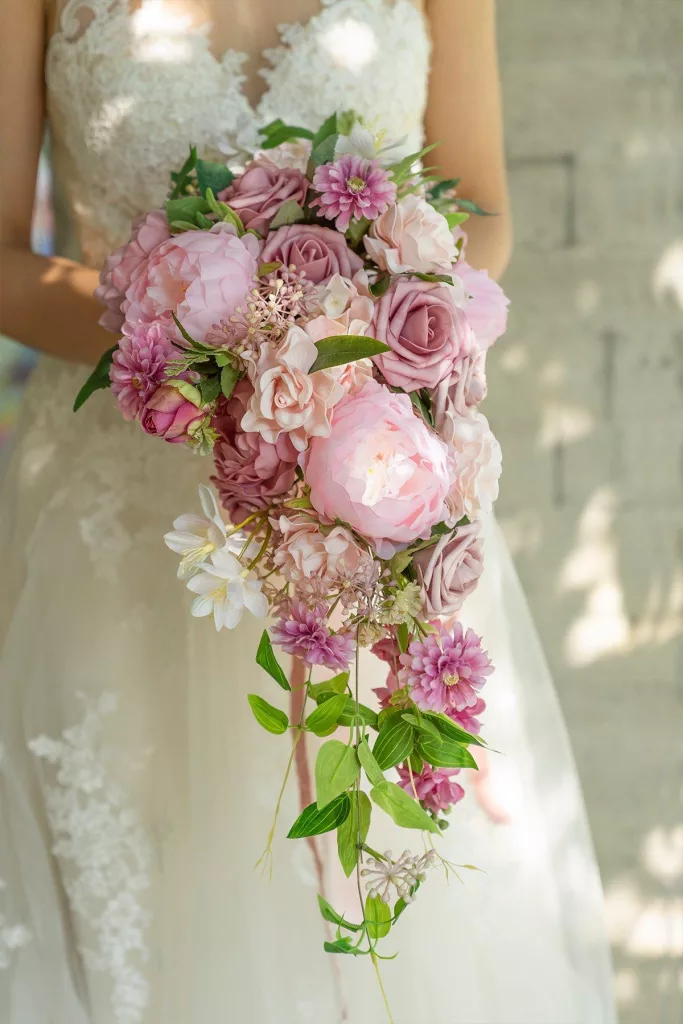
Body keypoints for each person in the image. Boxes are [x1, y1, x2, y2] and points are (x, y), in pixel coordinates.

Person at [0, 2, 616, 1021]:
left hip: (370, 496)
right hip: (122, 532)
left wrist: (360, 325)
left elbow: (485, 213)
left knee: (379, 909)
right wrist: (197, 344)